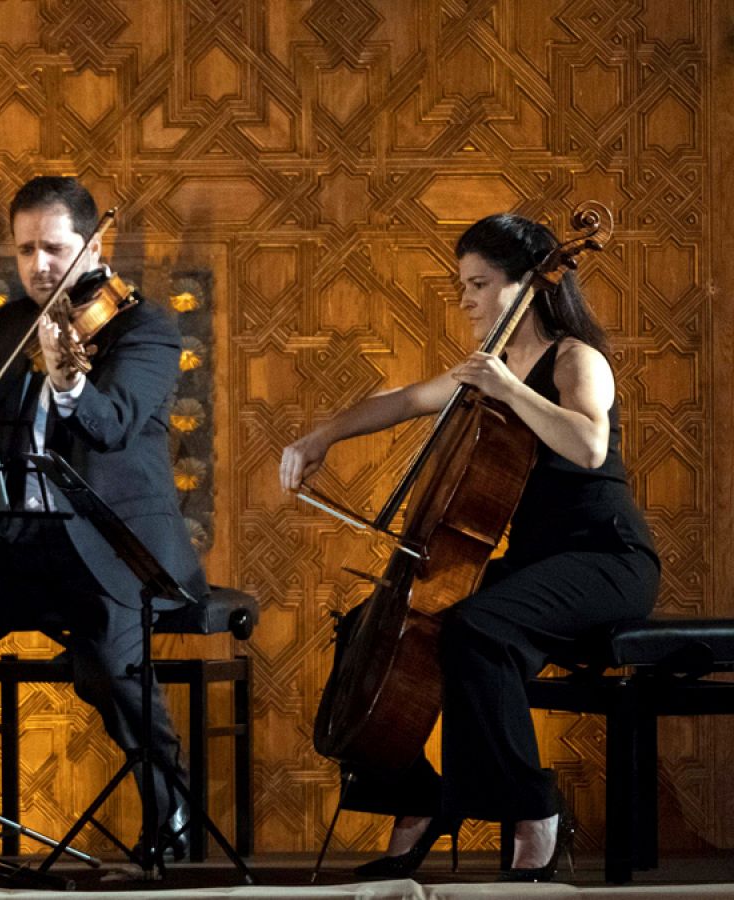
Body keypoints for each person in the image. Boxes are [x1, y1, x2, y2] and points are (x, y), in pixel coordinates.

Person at [279, 213, 659, 882]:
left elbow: (589, 445)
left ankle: (533, 811)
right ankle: (415, 800)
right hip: (541, 564)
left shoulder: (577, 359)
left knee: (479, 630)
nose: (465, 300)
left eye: (479, 284)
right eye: (463, 285)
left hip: (607, 558)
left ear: (528, 288)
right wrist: (320, 438)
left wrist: (508, 388)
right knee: (376, 626)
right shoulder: (487, 368)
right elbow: (400, 401)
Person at [0, 175, 208, 855]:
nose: (39, 266)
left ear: (96, 243)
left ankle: (174, 816)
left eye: (54, 248)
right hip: (16, 545)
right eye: (24, 251)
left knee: (110, 667)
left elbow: (114, 425)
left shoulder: (143, 326)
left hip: (110, 544)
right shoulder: (15, 322)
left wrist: (68, 379)